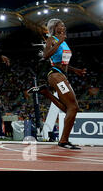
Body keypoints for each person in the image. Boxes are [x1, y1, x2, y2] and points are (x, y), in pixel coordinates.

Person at [28, 19, 86, 150]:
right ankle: (63, 140)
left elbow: (63, 62)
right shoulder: (52, 39)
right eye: (61, 25)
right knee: (73, 107)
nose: (64, 27)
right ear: (55, 27)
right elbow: (46, 55)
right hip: (55, 75)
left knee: (69, 109)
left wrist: (75, 70)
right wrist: (59, 41)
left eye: (64, 25)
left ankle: (45, 92)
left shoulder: (64, 42)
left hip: (62, 75)